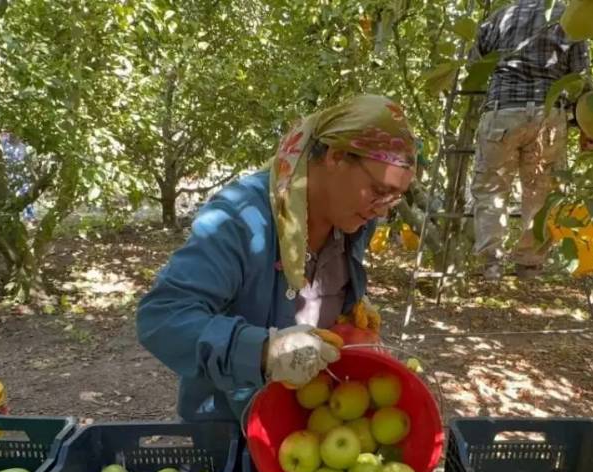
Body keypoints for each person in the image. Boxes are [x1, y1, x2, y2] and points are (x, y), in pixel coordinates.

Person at [137, 94, 416, 421]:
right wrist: (264, 352)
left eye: (395, 199)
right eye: (380, 191)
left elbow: (318, 290)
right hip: (231, 430)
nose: (382, 209)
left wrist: (348, 312)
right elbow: (162, 318)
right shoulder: (240, 220)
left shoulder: (354, 222)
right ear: (337, 156)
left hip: (315, 421)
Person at [469, 0, 590, 281]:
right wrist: (586, 125)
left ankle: (491, 264)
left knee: (490, 189)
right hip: (547, 114)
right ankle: (529, 264)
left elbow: (476, 62)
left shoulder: (501, 16)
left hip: (503, 110)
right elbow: (579, 77)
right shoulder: (569, 18)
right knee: (540, 192)